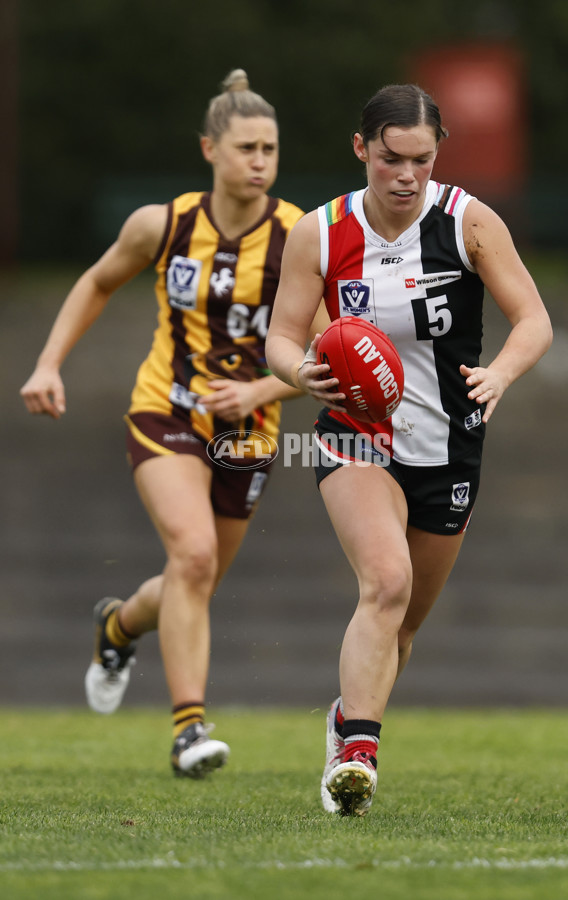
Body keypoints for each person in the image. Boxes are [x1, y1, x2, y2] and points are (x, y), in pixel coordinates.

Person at [265, 82, 553, 816]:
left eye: (422, 160)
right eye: (391, 159)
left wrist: (501, 373)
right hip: (358, 435)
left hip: (451, 445)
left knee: (406, 625)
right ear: (362, 149)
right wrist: (300, 373)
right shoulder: (321, 232)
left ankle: (344, 718)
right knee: (385, 584)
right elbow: (281, 336)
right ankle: (358, 753)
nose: (407, 176)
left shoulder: (468, 223)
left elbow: (534, 321)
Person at [20, 69, 309, 778]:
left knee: (192, 579)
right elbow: (96, 281)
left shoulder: (299, 236)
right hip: (165, 410)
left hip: (249, 429)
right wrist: (48, 364)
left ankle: (117, 626)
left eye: (270, 148)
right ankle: (189, 731)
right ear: (209, 149)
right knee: (194, 555)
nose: (261, 162)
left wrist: (261, 389)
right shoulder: (164, 224)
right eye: (246, 147)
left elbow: (320, 356)